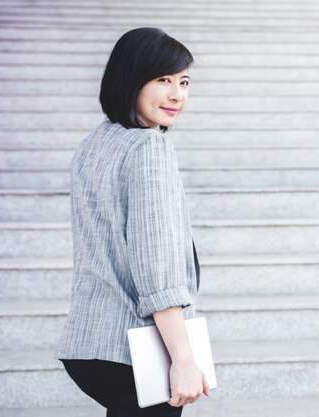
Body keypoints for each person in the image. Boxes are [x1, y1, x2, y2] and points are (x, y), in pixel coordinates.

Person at [56, 27, 209, 417]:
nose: (177, 94)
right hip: (133, 349)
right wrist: (184, 359)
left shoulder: (96, 143)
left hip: (90, 346)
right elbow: (156, 264)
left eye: (184, 81)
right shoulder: (148, 148)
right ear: (131, 79)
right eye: (163, 80)